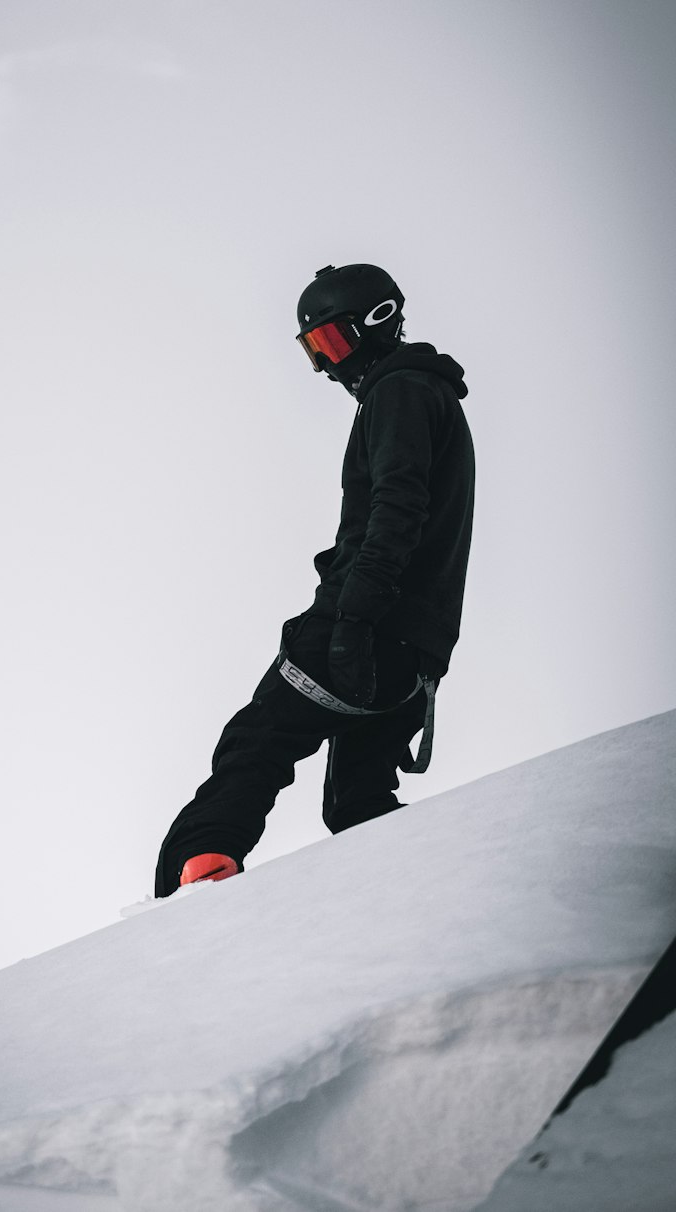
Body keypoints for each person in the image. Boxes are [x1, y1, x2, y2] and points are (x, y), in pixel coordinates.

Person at [154, 263, 475, 897]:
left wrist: (351, 618)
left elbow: (396, 507)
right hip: (417, 652)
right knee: (357, 804)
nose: (327, 367)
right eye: (313, 352)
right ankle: (417, 910)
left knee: (257, 741)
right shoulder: (428, 397)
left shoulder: (401, 388)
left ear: (375, 323)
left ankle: (196, 881)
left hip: (363, 625)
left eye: (330, 343)